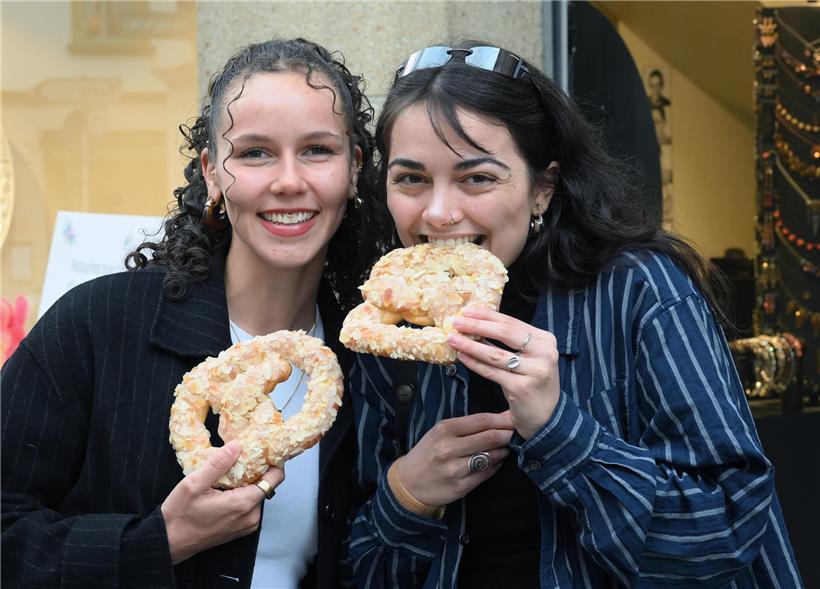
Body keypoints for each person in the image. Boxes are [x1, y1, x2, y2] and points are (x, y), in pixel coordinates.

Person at [344, 43, 802, 588]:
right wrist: (408, 495)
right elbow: (360, 567)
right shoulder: (391, 328)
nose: (440, 212)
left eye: (478, 178)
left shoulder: (642, 291)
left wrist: (558, 429)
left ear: (543, 188)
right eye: (411, 179)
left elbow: (726, 532)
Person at [1, 38, 377, 589]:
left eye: (317, 149)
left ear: (353, 167)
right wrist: (160, 541)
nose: (289, 180)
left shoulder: (368, 361)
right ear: (212, 173)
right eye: (255, 153)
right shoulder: (98, 323)